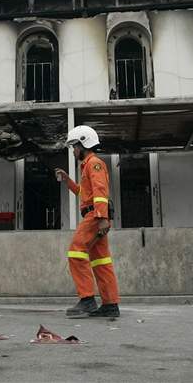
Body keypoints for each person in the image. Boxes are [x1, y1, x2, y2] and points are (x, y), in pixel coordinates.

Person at [55, 125, 120, 318]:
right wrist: (68, 181)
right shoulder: (87, 166)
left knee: (76, 252)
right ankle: (110, 305)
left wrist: (101, 218)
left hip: (95, 217)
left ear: (83, 144)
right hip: (96, 215)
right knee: (101, 261)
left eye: (74, 146)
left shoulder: (94, 163)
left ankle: (87, 300)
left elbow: (100, 193)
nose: (73, 151)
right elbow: (86, 195)